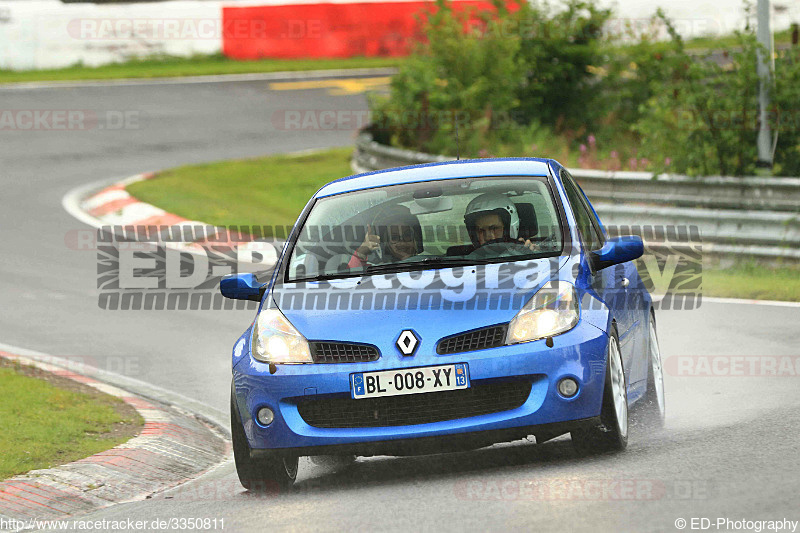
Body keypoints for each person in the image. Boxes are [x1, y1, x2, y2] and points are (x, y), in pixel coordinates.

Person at [460, 192, 540, 253]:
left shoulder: (529, 254)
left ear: (510, 227)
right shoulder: (466, 263)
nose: (488, 237)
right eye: (481, 231)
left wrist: (530, 254)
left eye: (494, 228)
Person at [348, 206, 422, 268]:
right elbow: (350, 279)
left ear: (416, 238)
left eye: (407, 235)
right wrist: (361, 252)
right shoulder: (378, 271)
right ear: (386, 244)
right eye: (394, 238)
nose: (402, 241)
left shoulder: (430, 262)